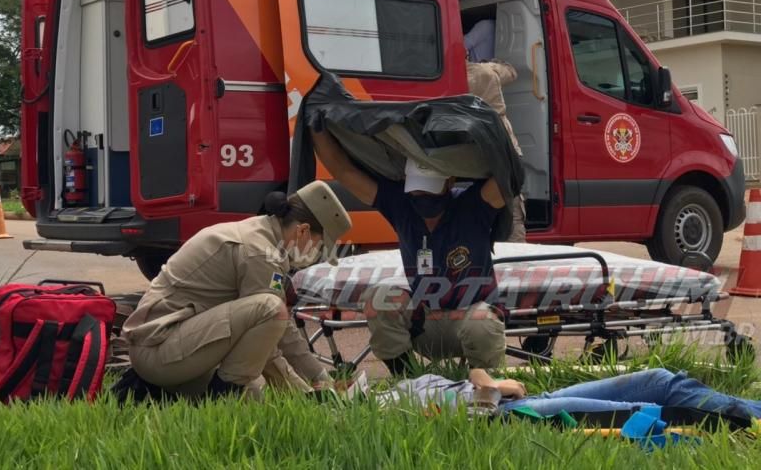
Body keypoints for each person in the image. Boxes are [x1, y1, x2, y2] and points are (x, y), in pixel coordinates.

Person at [122, 180, 352, 398]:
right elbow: (274, 331)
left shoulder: (261, 234)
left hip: (172, 348)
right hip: (159, 351)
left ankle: (192, 395)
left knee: (256, 402)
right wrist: (319, 380)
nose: (317, 255)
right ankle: (222, 401)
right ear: (302, 231)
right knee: (271, 308)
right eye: (319, 245)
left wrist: (304, 391)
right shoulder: (259, 252)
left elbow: (262, 341)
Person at [312, 129, 507, 376]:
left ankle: (488, 387)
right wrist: (316, 127)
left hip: (471, 319)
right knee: (379, 299)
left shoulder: (474, 206)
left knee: (483, 324)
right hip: (425, 324)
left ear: (450, 181)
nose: (421, 197)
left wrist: (494, 135)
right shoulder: (400, 206)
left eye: (429, 189)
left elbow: (508, 177)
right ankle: (408, 381)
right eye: (416, 189)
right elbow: (344, 172)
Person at [397, 368, 761, 421]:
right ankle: (745, 420)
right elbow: (477, 412)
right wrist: (491, 389)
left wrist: (489, 384)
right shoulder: (393, 414)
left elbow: (481, 377)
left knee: (662, 379)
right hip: (516, 417)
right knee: (646, 410)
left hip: (529, 397)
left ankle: (753, 411)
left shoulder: (409, 385)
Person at [464, 19, 526, 242]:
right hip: (504, 152)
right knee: (513, 215)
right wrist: (490, 62)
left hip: (472, 157)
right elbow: (511, 72)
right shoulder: (485, 72)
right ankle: (514, 259)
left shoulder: (447, 80)